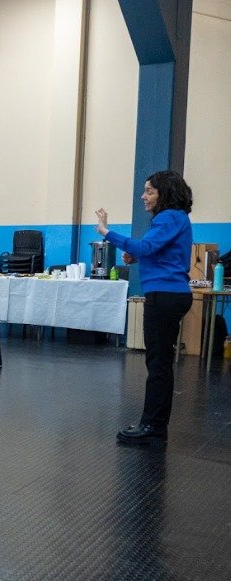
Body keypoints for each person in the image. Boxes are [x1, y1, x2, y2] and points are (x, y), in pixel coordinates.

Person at [95, 170, 194, 446]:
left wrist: (106, 232)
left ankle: (152, 427)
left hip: (164, 295)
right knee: (160, 363)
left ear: (165, 194)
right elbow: (159, 252)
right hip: (170, 293)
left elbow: (146, 247)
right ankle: (155, 425)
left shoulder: (168, 217)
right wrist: (137, 257)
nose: (143, 196)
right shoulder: (175, 218)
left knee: (158, 364)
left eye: (149, 191)